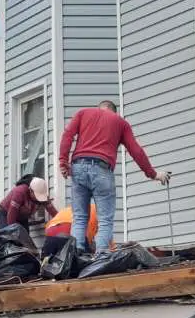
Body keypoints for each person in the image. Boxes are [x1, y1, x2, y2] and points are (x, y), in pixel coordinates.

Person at [59, 100, 170, 256]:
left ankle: (75, 257)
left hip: (79, 166)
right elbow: (136, 150)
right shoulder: (120, 123)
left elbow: (67, 135)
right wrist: (152, 174)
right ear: (114, 111)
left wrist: (63, 162)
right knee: (104, 220)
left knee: (79, 217)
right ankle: (101, 257)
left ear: (100, 108)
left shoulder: (83, 113)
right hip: (102, 169)